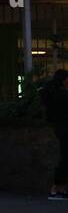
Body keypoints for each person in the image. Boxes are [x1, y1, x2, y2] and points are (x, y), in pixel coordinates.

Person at [43, 69, 68, 200]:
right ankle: (56, 189)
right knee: (65, 159)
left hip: (59, 128)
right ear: (64, 80)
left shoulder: (52, 94)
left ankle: (60, 190)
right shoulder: (62, 95)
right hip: (65, 129)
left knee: (64, 158)